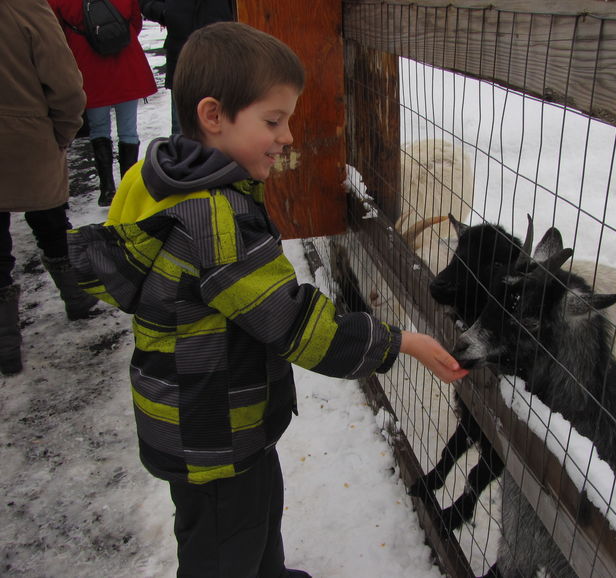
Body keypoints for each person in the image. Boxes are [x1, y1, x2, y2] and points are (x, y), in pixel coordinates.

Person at [68, 22, 468, 577]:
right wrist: (399, 342)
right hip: (212, 432)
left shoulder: (181, 182)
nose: (287, 137)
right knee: (224, 546)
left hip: (218, 415)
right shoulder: (216, 219)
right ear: (214, 117)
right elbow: (294, 322)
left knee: (257, 513)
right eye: (273, 121)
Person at [0, 0, 100, 376]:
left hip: (23, 131)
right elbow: (66, 85)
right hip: (27, 137)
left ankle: (6, 345)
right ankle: (76, 297)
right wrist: (62, 132)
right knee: (51, 219)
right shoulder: (25, 8)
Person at [49, 0, 157, 207]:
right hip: (125, 60)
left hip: (88, 65)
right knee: (128, 131)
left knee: (99, 129)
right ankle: (128, 187)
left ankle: (106, 188)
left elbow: (56, 31)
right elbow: (135, 22)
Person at [139, 0, 235, 134]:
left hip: (223, 54)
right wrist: (166, 12)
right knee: (182, 126)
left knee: (224, 123)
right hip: (181, 55)